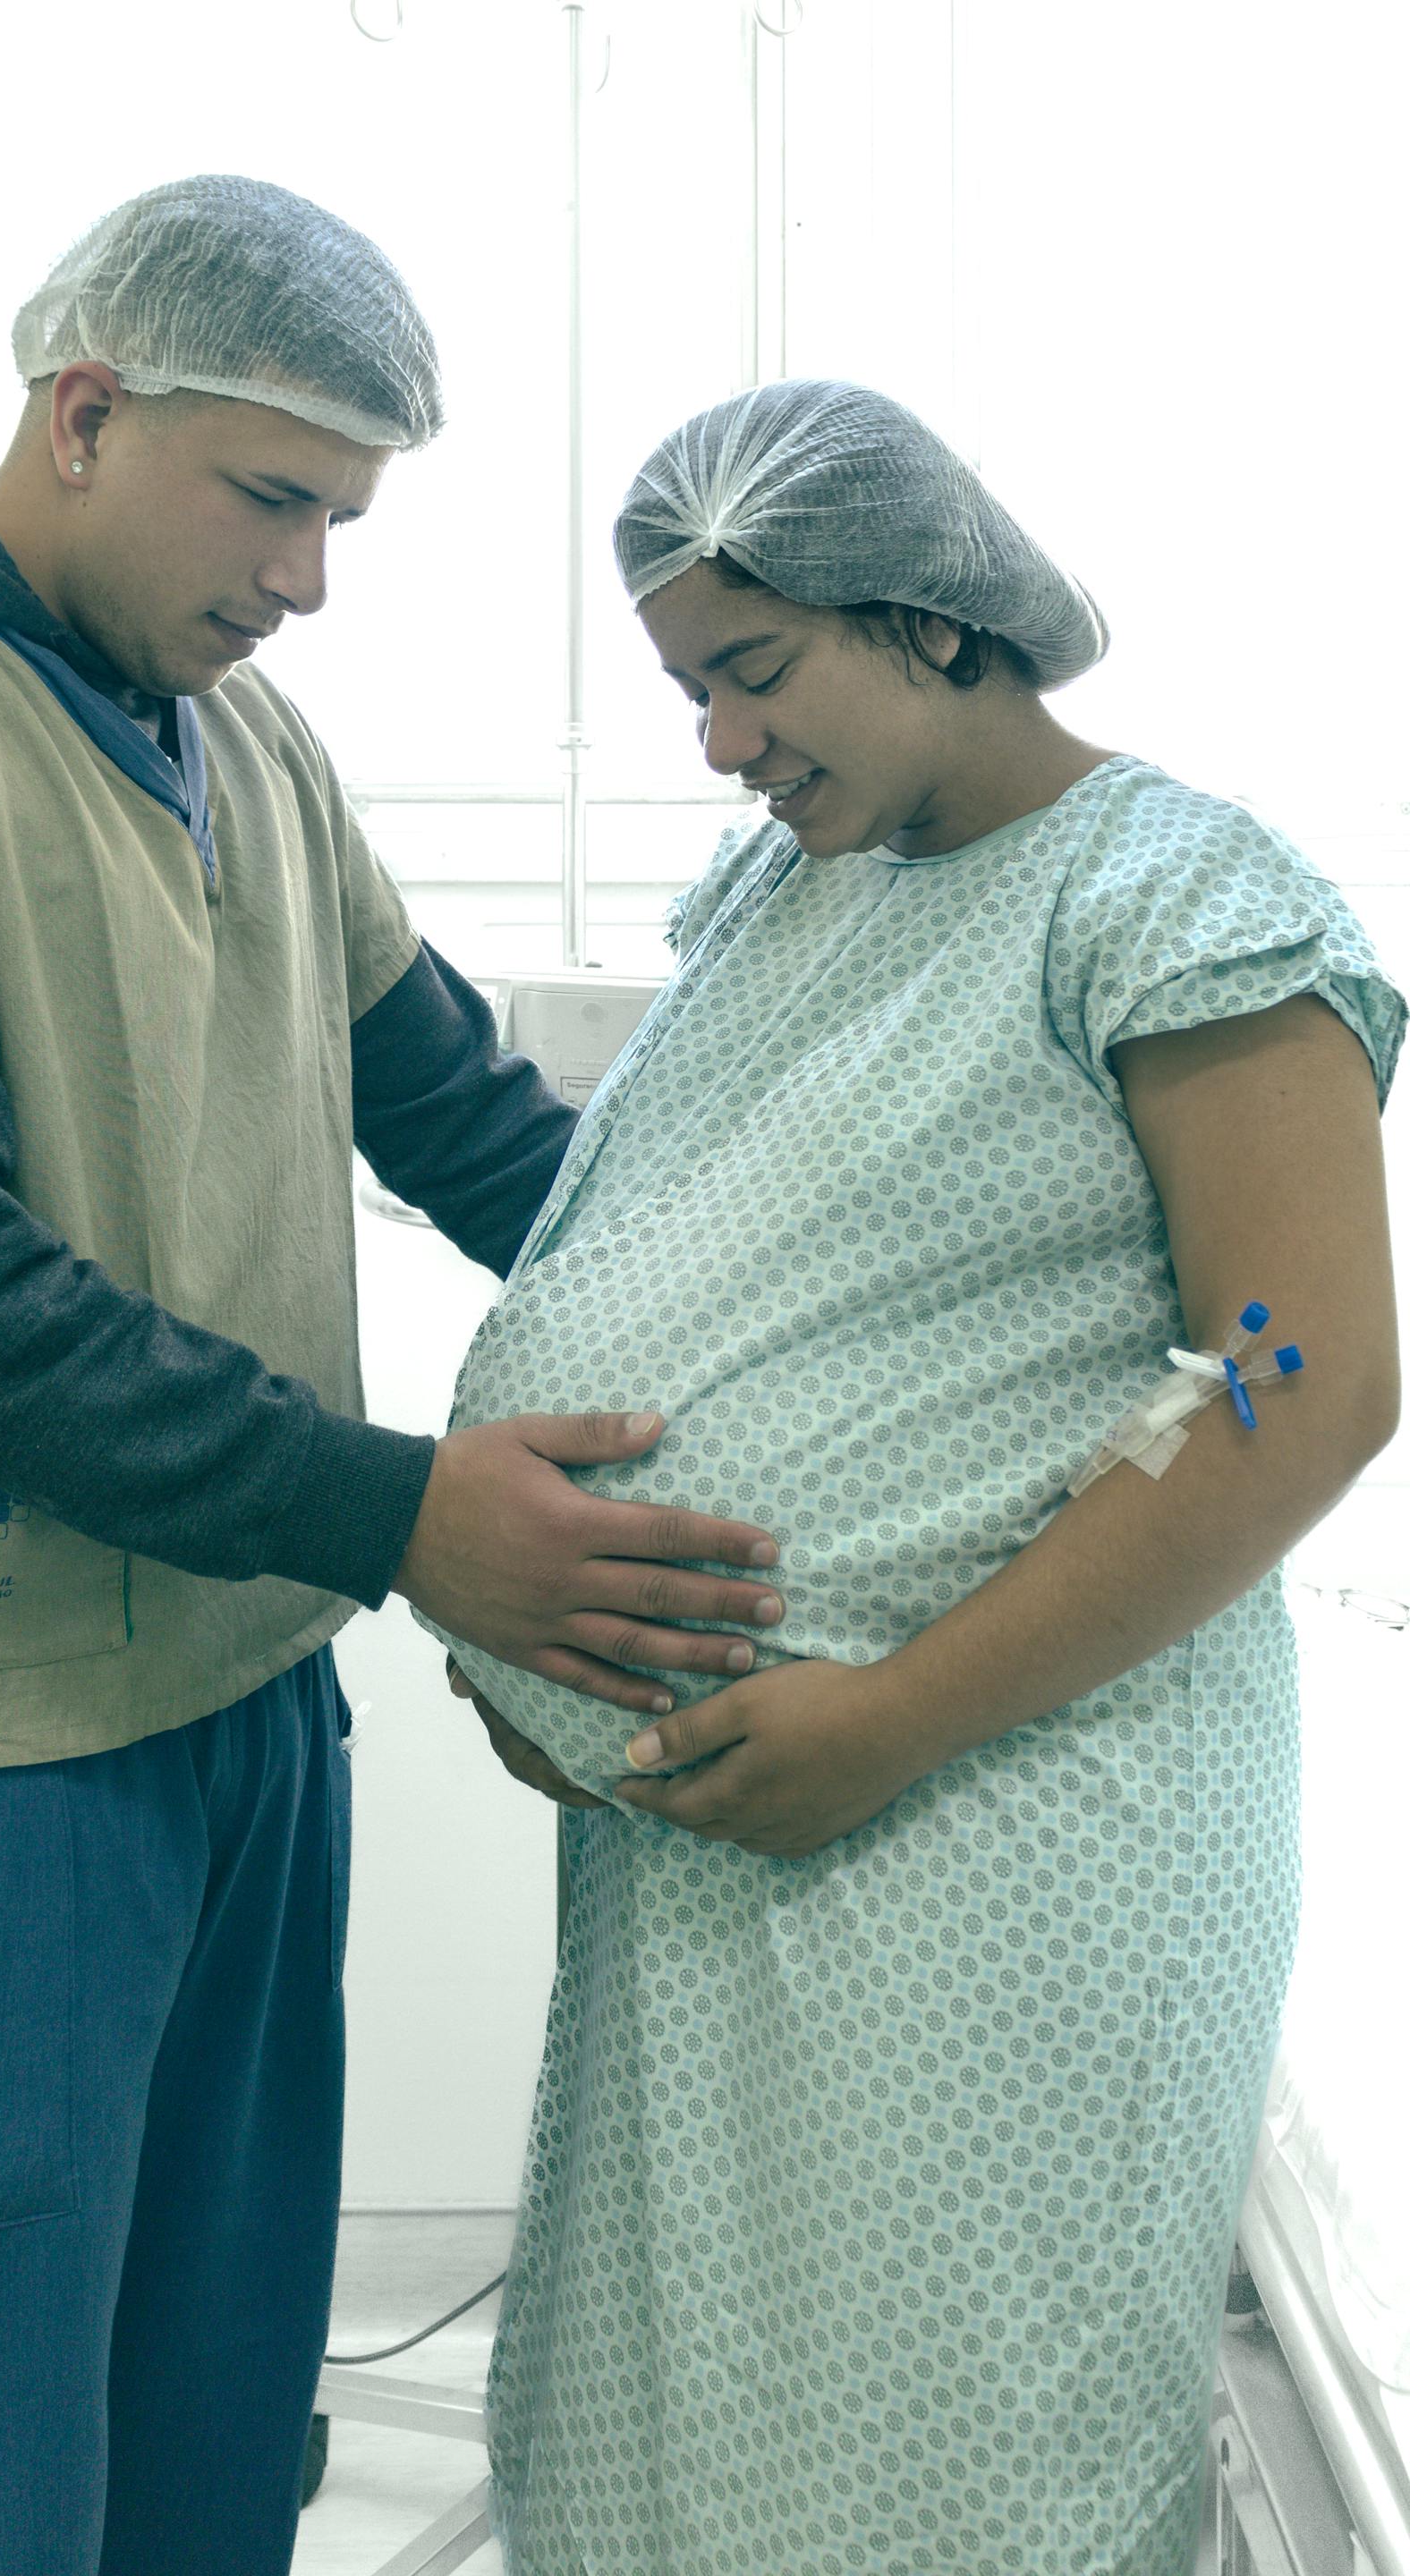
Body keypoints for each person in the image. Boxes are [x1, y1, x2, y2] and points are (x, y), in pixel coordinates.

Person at [0, 178, 789, 2576]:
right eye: (275, 497)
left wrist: (820, 1327)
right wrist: (412, 1515)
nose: (307, 577)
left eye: (345, 518)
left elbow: (484, 1131)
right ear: (84, 413)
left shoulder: (247, 746)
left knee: (201, 2443)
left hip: (238, 1704)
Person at [432, 378, 1404, 2576]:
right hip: (732, 1823)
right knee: (689, 2418)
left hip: (1013, 1800)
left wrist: (898, 1703)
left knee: (957, 2440)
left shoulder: (1173, 897)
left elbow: (1280, 1363)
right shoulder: (784, 900)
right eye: (689, 691)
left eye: (754, 675)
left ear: (937, 619)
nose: (719, 746)